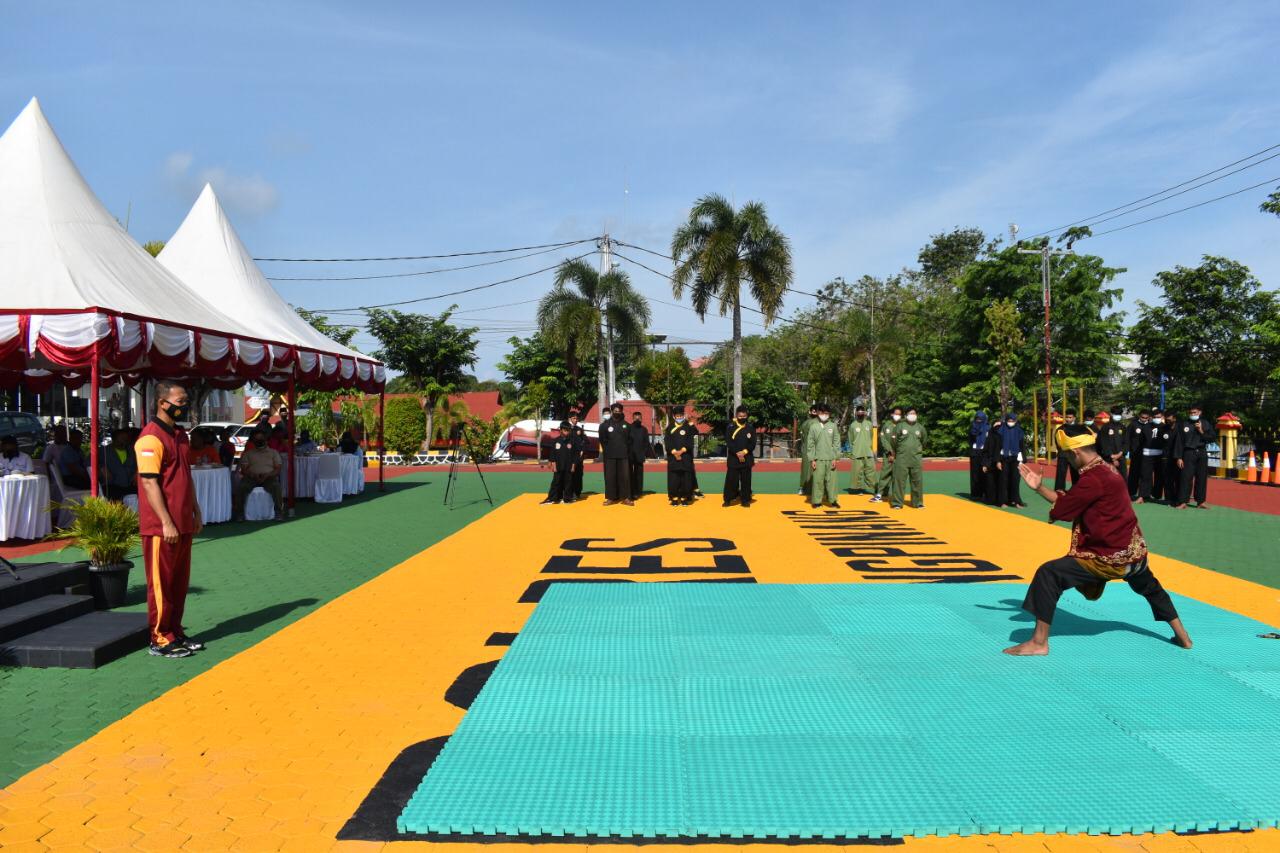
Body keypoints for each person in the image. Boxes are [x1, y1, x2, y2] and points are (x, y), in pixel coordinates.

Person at [1005, 424, 1192, 656]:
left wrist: (1039, 489)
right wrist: (1041, 488)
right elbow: (1074, 501)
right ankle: (1184, 637)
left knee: (1048, 573)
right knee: (1151, 588)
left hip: (1108, 558)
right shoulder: (1107, 469)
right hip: (1134, 553)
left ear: (1075, 453)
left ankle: (1039, 643)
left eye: (1065, 455)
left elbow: (1065, 509)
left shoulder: (1093, 478)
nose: (1066, 459)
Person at [134, 379, 204, 658]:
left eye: (186, 401)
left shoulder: (181, 435)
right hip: (161, 527)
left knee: (178, 581)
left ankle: (175, 630)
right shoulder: (150, 438)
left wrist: (195, 510)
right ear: (162, 404)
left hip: (182, 522)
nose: (184, 406)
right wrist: (166, 521)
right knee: (161, 583)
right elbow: (150, 483)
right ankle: (160, 637)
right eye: (180, 402)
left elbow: (185, 477)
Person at [234, 428, 283, 521]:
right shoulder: (248, 454)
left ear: (266, 440)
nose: (259, 441)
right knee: (242, 487)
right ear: (253, 441)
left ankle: (278, 512)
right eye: (256, 439)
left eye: (261, 439)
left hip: (269, 477)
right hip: (251, 477)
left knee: (276, 486)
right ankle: (239, 513)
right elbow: (244, 469)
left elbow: (278, 468)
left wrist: (268, 475)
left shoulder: (273, 453)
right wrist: (252, 475)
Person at [1172, 405, 1215, 509]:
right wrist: (1179, 457)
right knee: (1185, 477)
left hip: (1201, 452)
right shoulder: (1184, 424)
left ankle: (1201, 501)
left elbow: (1211, 438)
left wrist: (1201, 430)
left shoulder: (1205, 423)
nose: (1192, 414)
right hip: (1188, 453)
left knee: (1201, 477)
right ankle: (1183, 501)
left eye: (1194, 412)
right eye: (1191, 413)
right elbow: (1179, 441)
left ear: (1200, 412)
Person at [889, 406, 926, 510]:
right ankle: (897, 503)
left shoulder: (920, 427)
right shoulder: (900, 426)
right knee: (899, 481)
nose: (912, 415)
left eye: (914, 413)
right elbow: (893, 442)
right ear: (906, 415)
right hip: (902, 458)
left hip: (916, 458)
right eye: (910, 413)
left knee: (917, 481)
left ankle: (917, 503)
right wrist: (897, 452)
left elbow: (924, 441)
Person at [806, 403, 841, 508]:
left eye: (826, 413)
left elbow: (836, 442)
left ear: (829, 414)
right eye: (821, 413)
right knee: (818, 481)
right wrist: (812, 459)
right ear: (818, 413)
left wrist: (835, 457)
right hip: (818, 459)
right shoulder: (813, 427)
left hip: (830, 459)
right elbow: (810, 444)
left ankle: (833, 500)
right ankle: (817, 501)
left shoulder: (833, 426)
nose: (824, 415)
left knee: (832, 482)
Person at [599, 402, 633, 506]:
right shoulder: (604, 425)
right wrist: (608, 450)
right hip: (610, 456)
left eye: (619, 411)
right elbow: (602, 440)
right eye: (615, 411)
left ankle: (625, 498)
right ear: (612, 411)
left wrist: (626, 450)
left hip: (623, 455)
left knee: (625, 477)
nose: (617, 412)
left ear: (621, 412)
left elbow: (630, 441)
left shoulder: (626, 425)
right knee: (610, 477)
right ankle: (610, 498)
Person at [723, 405, 755, 507]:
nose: (742, 418)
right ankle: (728, 499)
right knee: (731, 480)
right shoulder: (731, 427)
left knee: (746, 481)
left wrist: (744, 452)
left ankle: (745, 499)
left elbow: (753, 443)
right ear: (736, 415)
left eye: (744, 416)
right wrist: (737, 452)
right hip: (734, 458)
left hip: (747, 458)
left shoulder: (750, 427)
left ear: (747, 415)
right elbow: (729, 442)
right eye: (740, 416)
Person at [994, 412, 1028, 507]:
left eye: (1012, 421)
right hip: (1004, 458)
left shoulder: (1019, 431)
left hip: (1016, 458)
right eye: (1009, 421)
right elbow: (997, 447)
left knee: (1015, 480)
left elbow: (1022, 447)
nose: (1010, 422)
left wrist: (1022, 460)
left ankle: (1016, 501)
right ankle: (1002, 501)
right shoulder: (1001, 431)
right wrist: (998, 461)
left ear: (1016, 421)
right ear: (1006, 421)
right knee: (1003, 480)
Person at [870, 406, 901, 503]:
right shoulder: (887, 425)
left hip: (900, 455)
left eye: (899, 414)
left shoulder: (903, 426)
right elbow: (883, 440)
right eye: (896, 414)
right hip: (888, 455)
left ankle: (897, 497)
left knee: (898, 476)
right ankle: (880, 494)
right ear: (892, 414)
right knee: (885, 474)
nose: (897, 416)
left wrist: (897, 453)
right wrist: (890, 452)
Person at [665, 406, 696, 506]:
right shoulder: (669, 428)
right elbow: (667, 442)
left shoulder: (688, 427)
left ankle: (684, 498)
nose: (679, 417)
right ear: (674, 417)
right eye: (677, 416)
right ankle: (674, 498)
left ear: (683, 415)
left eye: (681, 415)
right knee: (674, 478)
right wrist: (674, 452)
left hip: (686, 457)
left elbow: (691, 441)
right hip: (673, 457)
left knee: (686, 478)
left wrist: (682, 451)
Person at [541, 421, 576, 505]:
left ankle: (567, 498)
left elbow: (575, 455)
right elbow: (552, 454)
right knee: (556, 482)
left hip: (568, 466)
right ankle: (552, 498)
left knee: (568, 482)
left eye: (568, 430)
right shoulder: (555, 441)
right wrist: (553, 465)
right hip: (558, 466)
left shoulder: (572, 441)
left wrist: (573, 466)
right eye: (565, 430)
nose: (567, 432)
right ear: (560, 430)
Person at [100, 428, 138, 499]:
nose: (125, 440)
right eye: (122, 438)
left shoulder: (132, 450)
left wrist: (137, 473)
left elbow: (139, 463)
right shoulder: (104, 451)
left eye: (126, 438)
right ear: (114, 439)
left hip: (129, 485)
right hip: (112, 486)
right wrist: (102, 468)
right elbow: (89, 462)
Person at [848, 405, 876, 495]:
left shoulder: (869, 424)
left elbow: (871, 436)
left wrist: (870, 447)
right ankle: (859, 489)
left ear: (865, 413)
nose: (860, 413)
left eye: (862, 411)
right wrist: (852, 451)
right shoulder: (852, 425)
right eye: (858, 411)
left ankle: (875, 488)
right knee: (857, 473)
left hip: (868, 452)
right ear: (856, 413)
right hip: (857, 452)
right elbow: (850, 439)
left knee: (870, 471)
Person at [967, 411, 990, 501]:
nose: (979, 420)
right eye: (977, 419)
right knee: (975, 474)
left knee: (984, 473)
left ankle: (985, 494)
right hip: (975, 452)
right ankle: (975, 494)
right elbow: (970, 439)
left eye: (981, 419)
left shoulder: (988, 427)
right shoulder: (972, 427)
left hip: (984, 452)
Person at [1125, 410, 1149, 499]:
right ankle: (1131, 493)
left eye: (1146, 418)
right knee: (1133, 473)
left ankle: (1144, 494)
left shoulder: (1150, 425)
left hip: (1147, 454)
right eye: (1143, 417)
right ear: (1139, 416)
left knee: (1145, 474)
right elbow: (1127, 438)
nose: (1144, 419)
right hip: (1135, 453)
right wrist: (1127, 450)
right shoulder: (1133, 425)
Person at [1053, 412, 1079, 492]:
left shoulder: (1079, 428)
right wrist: (1061, 449)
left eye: (1070, 417)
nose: (1068, 419)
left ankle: (1077, 489)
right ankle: (1059, 490)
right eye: (1067, 417)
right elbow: (1057, 440)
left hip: (1075, 454)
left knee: (1076, 473)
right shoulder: (1061, 429)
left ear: (1074, 418)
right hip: (1063, 454)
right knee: (1061, 473)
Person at [628, 411, 649, 500]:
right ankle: (630, 492)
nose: (637, 419)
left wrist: (643, 453)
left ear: (641, 418)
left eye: (639, 418)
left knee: (639, 475)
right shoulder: (628, 428)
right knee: (629, 474)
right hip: (630, 455)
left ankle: (638, 492)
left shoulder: (644, 429)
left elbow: (646, 442)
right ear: (632, 418)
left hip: (640, 455)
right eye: (635, 418)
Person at [798, 403, 818, 497]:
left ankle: (803, 488)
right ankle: (808, 488)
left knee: (806, 469)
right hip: (814, 448)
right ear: (810, 412)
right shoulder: (818, 423)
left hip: (806, 448)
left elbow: (802, 437)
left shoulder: (805, 423)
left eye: (816, 410)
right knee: (814, 468)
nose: (814, 412)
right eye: (813, 410)